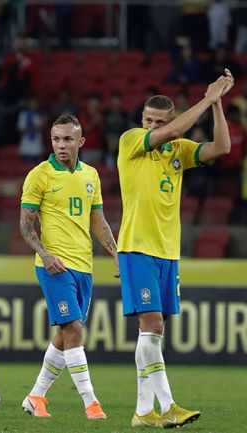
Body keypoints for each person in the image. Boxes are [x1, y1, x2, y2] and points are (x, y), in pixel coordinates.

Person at [117, 70, 234, 428]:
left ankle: (142, 412)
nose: (153, 126)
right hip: (137, 246)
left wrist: (216, 105)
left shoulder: (179, 151)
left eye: (159, 121)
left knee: (152, 332)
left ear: (170, 119)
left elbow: (222, 148)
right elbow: (170, 132)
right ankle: (167, 408)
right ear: (142, 121)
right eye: (148, 120)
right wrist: (205, 97)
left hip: (168, 252)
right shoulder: (131, 140)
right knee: (152, 325)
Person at [19, 115, 116, 420]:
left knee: (65, 335)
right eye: (56, 139)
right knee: (73, 329)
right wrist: (44, 254)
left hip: (84, 266)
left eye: (68, 139)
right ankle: (91, 403)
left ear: (81, 142)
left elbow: (97, 221)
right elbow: (25, 224)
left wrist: (115, 253)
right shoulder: (39, 175)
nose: (61, 145)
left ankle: (36, 396)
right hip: (54, 265)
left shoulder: (91, 175)